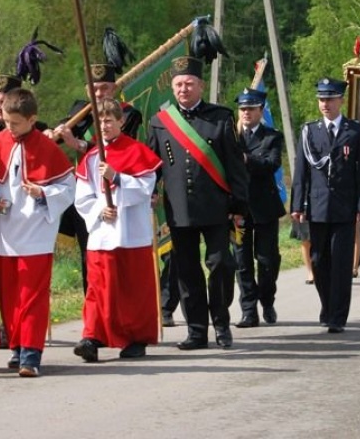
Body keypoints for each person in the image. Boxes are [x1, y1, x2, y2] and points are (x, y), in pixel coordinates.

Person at [147, 56, 249, 350]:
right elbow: (151, 166)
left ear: (201, 86)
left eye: (189, 83)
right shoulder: (160, 122)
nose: (183, 89)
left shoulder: (220, 118)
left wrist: (238, 205)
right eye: (178, 84)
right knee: (188, 271)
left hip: (216, 208)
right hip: (179, 211)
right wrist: (147, 193)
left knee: (220, 265)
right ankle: (196, 331)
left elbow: (235, 167)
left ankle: (220, 324)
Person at [0, 88, 75, 377]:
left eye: (16, 123)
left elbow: (68, 189)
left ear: (33, 120)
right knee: (8, 295)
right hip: (2, 233)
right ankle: (17, 346)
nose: (10, 127)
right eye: (7, 121)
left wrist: (43, 191)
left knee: (32, 294)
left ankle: (31, 353)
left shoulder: (48, 149)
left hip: (34, 233)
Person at [73, 99, 163, 362]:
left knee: (133, 289)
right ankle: (93, 336)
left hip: (130, 233)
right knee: (99, 287)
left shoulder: (136, 151)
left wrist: (118, 177)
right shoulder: (90, 158)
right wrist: (101, 210)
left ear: (120, 122)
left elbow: (145, 189)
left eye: (109, 120)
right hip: (102, 233)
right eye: (100, 121)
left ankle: (136, 338)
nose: (105, 125)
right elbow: (83, 197)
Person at [53, 64, 144, 295]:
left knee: (117, 254)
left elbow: (119, 151)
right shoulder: (79, 111)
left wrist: (79, 145)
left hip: (117, 195)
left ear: (114, 88)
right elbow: (59, 137)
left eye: (104, 88)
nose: (99, 94)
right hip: (88, 195)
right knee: (89, 254)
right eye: (94, 89)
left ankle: (120, 305)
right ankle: (92, 309)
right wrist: (51, 134)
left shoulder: (128, 114)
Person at [290, 78, 360, 332]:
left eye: (330, 99)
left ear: (340, 100)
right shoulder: (309, 131)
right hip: (316, 206)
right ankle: (327, 304)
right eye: (321, 99)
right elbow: (301, 172)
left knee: (340, 261)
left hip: (345, 207)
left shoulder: (355, 130)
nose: (325, 104)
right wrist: (297, 205)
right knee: (318, 260)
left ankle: (338, 316)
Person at [232, 88, 286, 327]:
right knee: (242, 261)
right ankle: (248, 310)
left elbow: (271, 164)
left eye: (251, 109)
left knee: (267, 260)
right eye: (242, 109)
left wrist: (246, 160)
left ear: (260, 111)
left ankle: (267, 299)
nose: (246, 113)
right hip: (238, 209)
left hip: (264, 207)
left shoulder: (271, 136)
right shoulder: (231, 136)